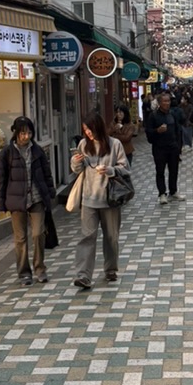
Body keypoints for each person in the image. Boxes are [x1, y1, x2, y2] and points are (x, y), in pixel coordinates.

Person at [0, 116, 56, 286]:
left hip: (36, 198)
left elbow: (46, 173)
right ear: (16, 133)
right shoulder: (7, 153)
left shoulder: (37, 151)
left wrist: (50, 192)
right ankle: (23, 273)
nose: (26, 136)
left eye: (29, 133)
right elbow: (0, 179)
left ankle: (40, 268)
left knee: (38, 233)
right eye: (22, 133)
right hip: (16, 200)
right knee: (20, 238)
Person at [70, 111, 130, 289]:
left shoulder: (114, 144)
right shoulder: (83, 144)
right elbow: (77, 170)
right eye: (86, 130)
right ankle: (83, 275)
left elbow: (125, 168)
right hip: (89, 199)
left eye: (91, 129)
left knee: (111, 237)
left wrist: (111, 170)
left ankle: (110, 268)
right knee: (87, 237)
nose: (88, 133)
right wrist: (75, 161)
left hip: (110, 199)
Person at [144, 92, 186, 204]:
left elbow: (178, 131)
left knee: (174, 170)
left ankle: (173, 192)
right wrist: (157, 131)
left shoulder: (172, 114)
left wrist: (178, 146)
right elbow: (148, 133)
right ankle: (162, 193)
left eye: (168, 101)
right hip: (159, 148)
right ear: (159, 103)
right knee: (160, 171)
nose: (167, 103)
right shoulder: (153, 116)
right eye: (164, 101)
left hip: (173, 147)